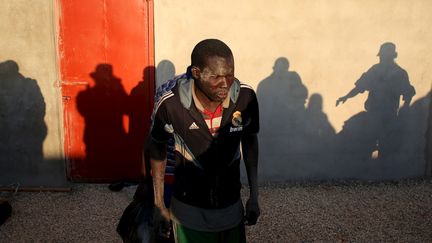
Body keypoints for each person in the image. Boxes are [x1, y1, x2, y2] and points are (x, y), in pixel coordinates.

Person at [147, 39, 260, 243]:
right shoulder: (171, 105)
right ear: (196, 73)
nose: (225, 83)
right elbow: (156, 145)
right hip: (188, 214)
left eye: (229, 74)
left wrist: (255, 195)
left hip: (231, 210)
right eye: (216, 76)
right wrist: (159, 204)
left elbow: (250, 141)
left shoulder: (245, 98)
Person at [336, 42, 415, 158]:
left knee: (386, 151)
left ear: (392, 56)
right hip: (373, 116)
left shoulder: (399, 74)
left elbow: (408, 93)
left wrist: (403, 112)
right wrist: (346, 97)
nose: (382, 58)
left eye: (384, 56)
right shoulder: (375, 70)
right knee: (364, 148)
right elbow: (360, 87)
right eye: (381, 56)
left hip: (389, 118)